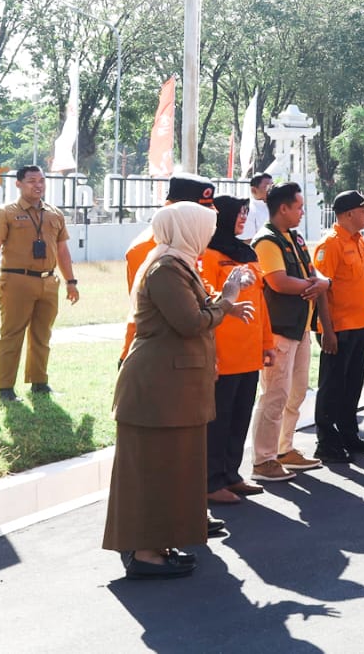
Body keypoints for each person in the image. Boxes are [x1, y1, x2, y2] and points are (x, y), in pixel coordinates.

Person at [102, 202, 256, 579]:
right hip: (158, 388)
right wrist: (229, 299)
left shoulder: (178, 264)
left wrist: (225, 304)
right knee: (154, 469)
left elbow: (196, 311)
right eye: (203, 227)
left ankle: (160, 543)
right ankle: (145, 552)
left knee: (171, 468)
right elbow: (189, 323)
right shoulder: (166, 269)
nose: (208, 234)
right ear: (187, 229)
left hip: (172, 386)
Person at [249, 183, 330, 482]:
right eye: (298, 206)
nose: (302, 211)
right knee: (274, 395)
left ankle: (285, 449)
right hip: (279, 330)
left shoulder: (293, 237)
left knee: (295, 393)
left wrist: (321, 281)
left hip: (299, 327)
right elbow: (278, 282)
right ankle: (263, 459)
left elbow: (311, 270)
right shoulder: (267, 241)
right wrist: (317, 285)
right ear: (283, 208)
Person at [0, 166, 79, 403]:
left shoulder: (54, 214)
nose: (38, 185)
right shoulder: (5, 213)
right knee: (12, 334)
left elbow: (63, 251)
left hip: (48, 282)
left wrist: (71, 281)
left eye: (41, 181)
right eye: (32, 181)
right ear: (18, 184)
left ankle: (39, 382)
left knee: (42, 334)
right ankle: (5, 389)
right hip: (16, 281)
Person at [203, 196, 275, 506]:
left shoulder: (247, 252)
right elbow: (208, 303)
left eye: (246, 212)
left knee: (239, 417)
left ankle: (231, 474)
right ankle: (211, 481)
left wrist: (267, 344)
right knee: (218, 422)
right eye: (239, 213)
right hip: (224, 352)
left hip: (249, 351)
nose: (244, 218)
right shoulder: (208, 253)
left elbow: (261, 304)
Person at [311, 190, 364, 464]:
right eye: (363, 210)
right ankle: (326, 442)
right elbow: (321, 291)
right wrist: (327, 331)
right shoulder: (331, 244)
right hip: (337, 327)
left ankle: (349, 434)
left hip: (359, 322)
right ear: (349, 213)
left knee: (353, 383)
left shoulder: (359, 241)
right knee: (332, 386)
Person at [119, 174, 219, 365]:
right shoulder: (148, 248)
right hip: (156, 354)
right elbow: (173, 311)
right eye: (194, 211)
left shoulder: (193, 242)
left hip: (186, 350)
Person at [239, 173, 272, 242]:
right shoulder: (249, 209)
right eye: (267, 187)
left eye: (272, 186)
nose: (270, 190)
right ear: (253, 190)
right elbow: (247, 241)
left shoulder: (275, 206)